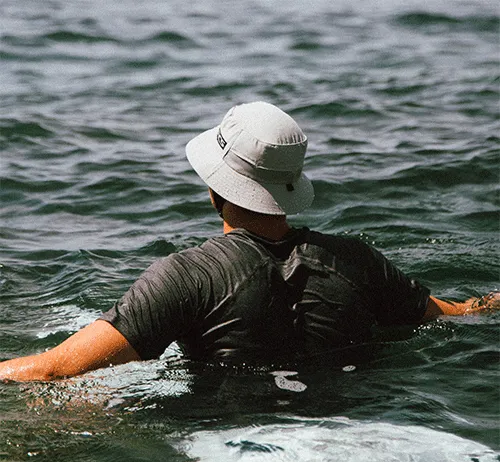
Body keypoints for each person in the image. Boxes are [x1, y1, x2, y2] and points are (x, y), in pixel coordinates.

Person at [0, 102, 498, 382]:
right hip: (355, 419)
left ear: (216, 188)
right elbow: (455, 316)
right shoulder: (359, 262)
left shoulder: (186, 276)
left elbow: (51, 370)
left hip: (234, 437)